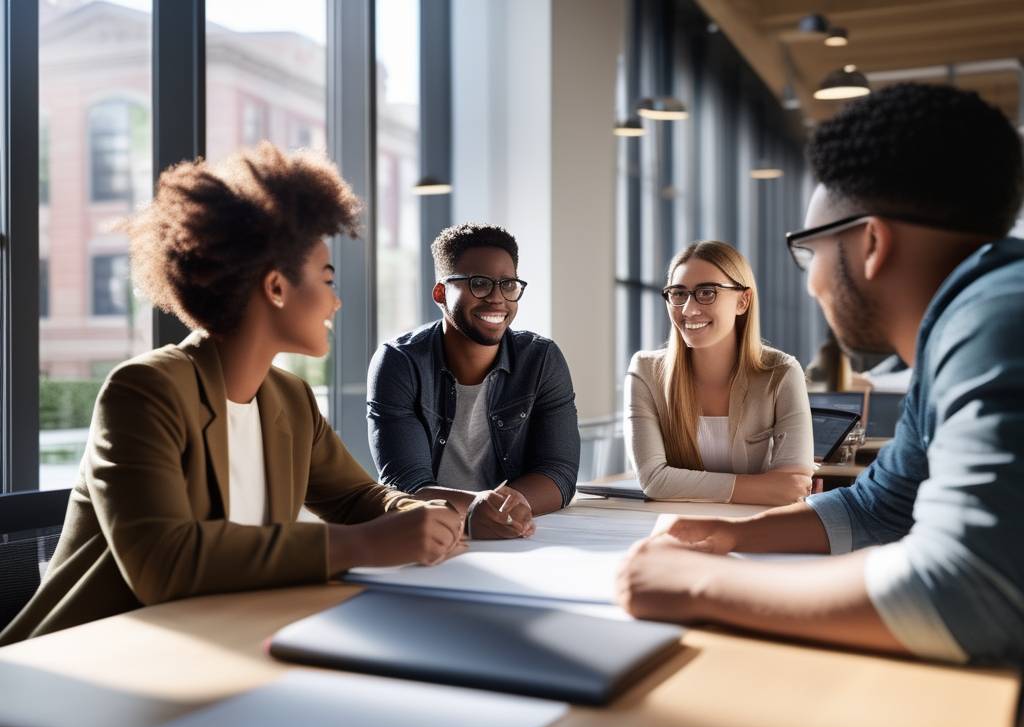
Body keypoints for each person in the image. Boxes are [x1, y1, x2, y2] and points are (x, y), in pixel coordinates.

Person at [617, 83, 1024, 669]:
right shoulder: (962, 326)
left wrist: (701, 583)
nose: (811, 284)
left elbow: (967, 589)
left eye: (811, 253)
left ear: (872, 243)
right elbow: (879, 508)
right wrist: (731, 536)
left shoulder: (997, 319)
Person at [0, 143, 464, 646]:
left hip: (224, 636)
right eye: (326, 279)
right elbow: (163, 560)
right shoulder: (145, 391)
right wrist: (364, 543)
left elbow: (356, 497)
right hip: (90, 658)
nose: (336, 299)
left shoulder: (290, 399)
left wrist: (414, 516)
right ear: (276, 288)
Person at [367, 223, 580, 539]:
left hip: (521, 533)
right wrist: (476, 509)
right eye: (479, 284)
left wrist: (505, 508)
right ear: (441, 293)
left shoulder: (541, 359)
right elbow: (406, 484)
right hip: (432, 536)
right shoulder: (400, 363)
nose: (497, 299)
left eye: (508, 284)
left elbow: (559, 473)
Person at [625, 240, 814, 505]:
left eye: (707, 292)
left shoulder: (781, 373)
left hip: (753, 528)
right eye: (678, 294)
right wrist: (764, 488)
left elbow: (793, 485)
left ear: (743, 301)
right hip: (672, 525)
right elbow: (654, 480)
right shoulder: (645, 372)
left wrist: (680, 484)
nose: (688, 310)